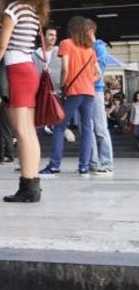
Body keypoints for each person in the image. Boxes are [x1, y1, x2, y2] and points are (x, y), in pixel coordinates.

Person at [0, 0, 48, 201]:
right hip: (29, 68)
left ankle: (27, 187)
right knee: (28, 131)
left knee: (21, 131)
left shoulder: (14, 9)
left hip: (15, 69)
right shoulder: (34, 10)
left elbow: (3, 44)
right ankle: (32, 184)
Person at [40, 16, 101, 177]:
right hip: (89, 93)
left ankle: (54, 165)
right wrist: (87, 81)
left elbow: (65, 68)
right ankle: (84, 167)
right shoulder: (90, 49)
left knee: (59, 127)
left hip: (74, 92)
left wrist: (62, 85)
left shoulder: (66, 44)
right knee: (87, 129)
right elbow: (99, 74)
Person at [85, 20, 114, 175]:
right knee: (88, 129)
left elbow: (100, 70)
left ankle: (107, 163)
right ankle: (93, 163)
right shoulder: (83, 48)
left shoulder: (99, 47)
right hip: (84, 91)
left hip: (96, 91)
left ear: (90, 31)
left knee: (100, 128)